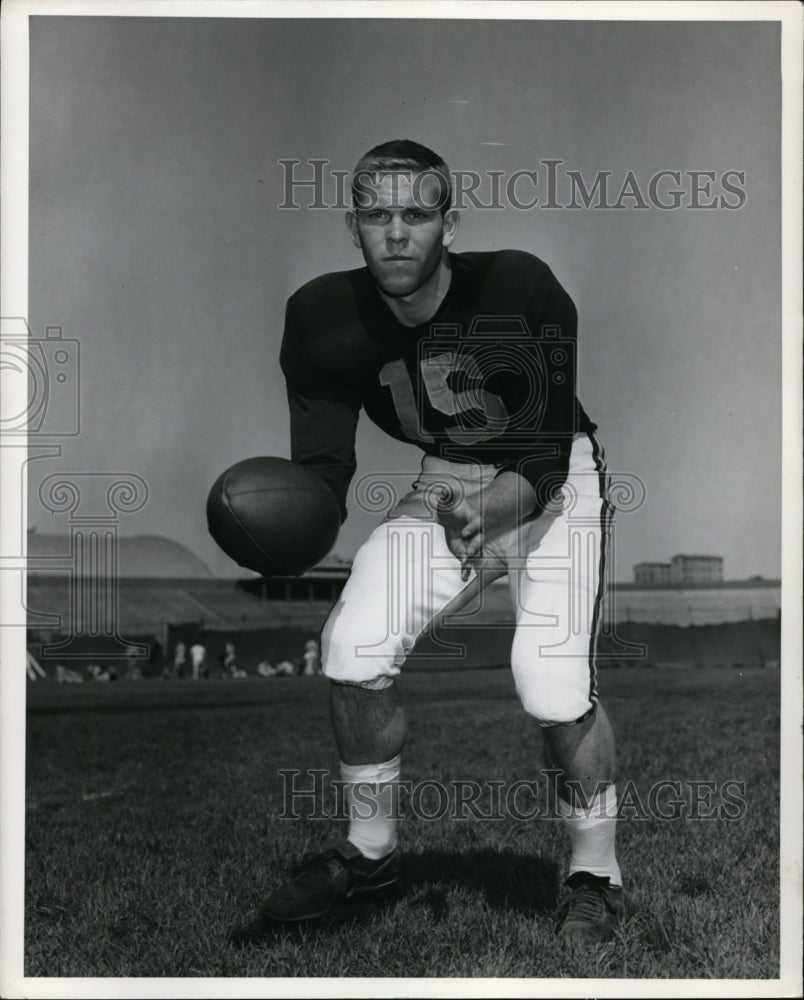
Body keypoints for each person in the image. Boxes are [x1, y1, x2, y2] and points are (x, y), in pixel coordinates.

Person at [231, 140, 624, 951]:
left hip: (550, 477)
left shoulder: (518, 285)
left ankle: (595, 873)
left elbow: (545, 454)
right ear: (353, 226)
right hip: (446, 477)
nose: (397, 233)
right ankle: (371, 856)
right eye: (377, 215)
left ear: (451, 223)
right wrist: (283, 533)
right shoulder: (319, 317)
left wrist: (495, 507)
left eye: (416, 214)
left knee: (550, 685)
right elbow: (323, 473)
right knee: (351, 646)